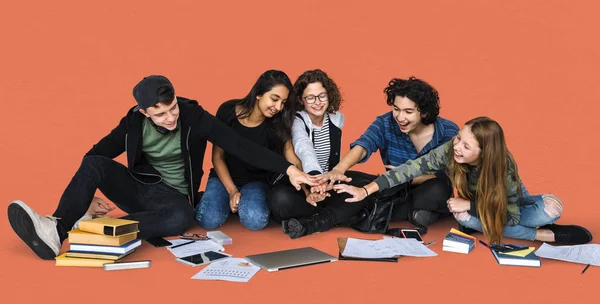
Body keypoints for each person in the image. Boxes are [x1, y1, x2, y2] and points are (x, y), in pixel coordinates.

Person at [7, 75, 317, 260]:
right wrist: (86, 196)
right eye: (160, 114)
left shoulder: (194, 116)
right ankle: (57, 227)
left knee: (180, 217)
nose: (170, 118)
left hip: (171, 198)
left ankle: (90, 230)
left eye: (172, 109)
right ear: (144, 112)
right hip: (138, 187)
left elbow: (241, 146)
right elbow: (96, 155)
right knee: (94, 164)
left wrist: (289, 169)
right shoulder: (132, 122)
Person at [334, 117, 592, 245]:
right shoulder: (450, 150)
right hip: (477, 206)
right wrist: (365, 190)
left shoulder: (504, 167)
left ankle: (542, 233)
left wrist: (470, 206)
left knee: (547, 209)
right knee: (464, 219)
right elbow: (408, 170)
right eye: (458, 138)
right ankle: (542, 233)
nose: (456, 147)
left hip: (504, 203)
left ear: (484, 153)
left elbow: (510, 216)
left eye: (466, 146)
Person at [322, 76, 459, 230]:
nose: (400, 117)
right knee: (346, 180)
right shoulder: (385, 123)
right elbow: (364, 145)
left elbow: (446, 174)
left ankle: (373, 209)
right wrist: (339, 170)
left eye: (408, 111)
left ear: (425, 113)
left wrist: (406, 178)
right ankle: (411, 213)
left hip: (426, 188)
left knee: (437, 189)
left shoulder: (448, 131)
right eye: (396, 109)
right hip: (391, 186)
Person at [195, 70, 304, 230]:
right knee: (209, 220)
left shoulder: (278, 123)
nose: (278, 107)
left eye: (283, 102)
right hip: (223, 177)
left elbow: (292, 158)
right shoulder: (227, 111)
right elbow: (217, 157)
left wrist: (308, 184)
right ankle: (217, 199)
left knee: (255, 220)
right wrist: (232, 191)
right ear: (259, 93)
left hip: (256, 182)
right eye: (274, 99)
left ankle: (238, 203)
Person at [267, 69, 367, 238]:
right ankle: (337, 215)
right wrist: (314, 181)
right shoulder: (296, 120)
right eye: (310, 97)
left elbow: (334, 164)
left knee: (367, 183)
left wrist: (324, 184)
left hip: (327, 183)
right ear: (301, 99)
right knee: (279, 199)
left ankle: (318, 217)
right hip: (302, 185)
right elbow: (303, 148)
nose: (317, 102)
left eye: (322, 96)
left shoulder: (336, 119)